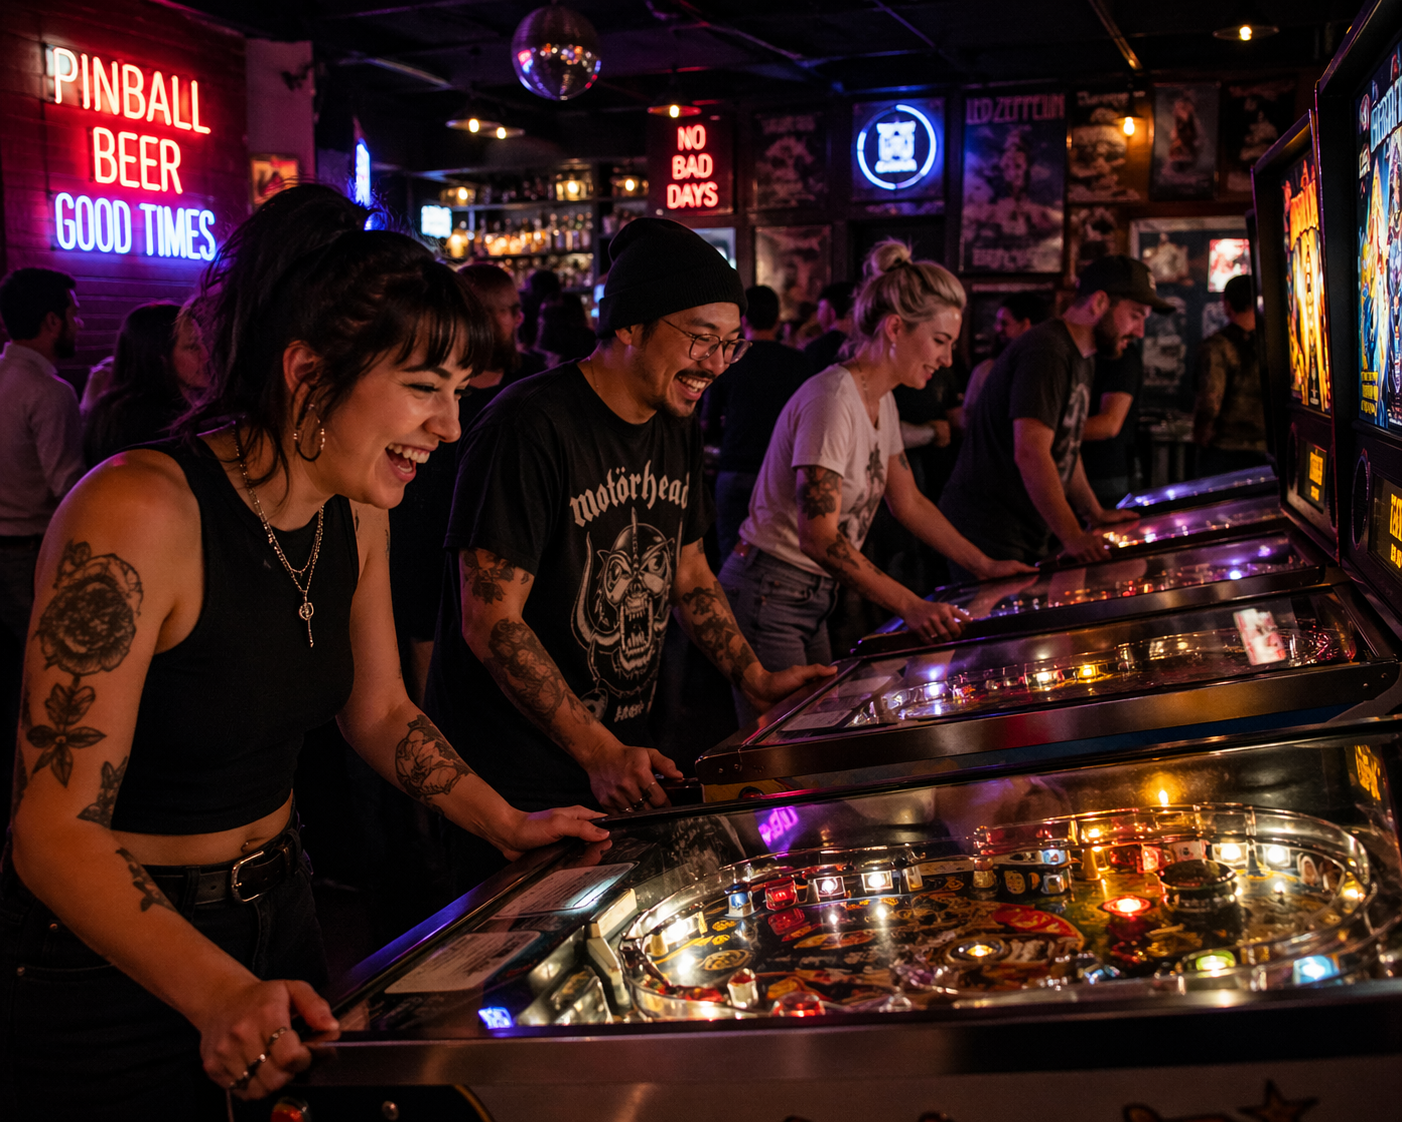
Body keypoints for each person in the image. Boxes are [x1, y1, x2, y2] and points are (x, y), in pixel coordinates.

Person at [0, 184, 607, 1118]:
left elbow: (379, 710)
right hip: (116, 951)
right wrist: (218, 994)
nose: (448, 429)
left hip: (280, 910)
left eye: (456, 395)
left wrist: (505, 822)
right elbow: (52, 830)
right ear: (308, 373)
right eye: (422, 389)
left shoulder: (352, 510)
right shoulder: (139, 511)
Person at [424, 217, 834, 854]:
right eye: (703, 339)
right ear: (629, 324)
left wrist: (753, 678)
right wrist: (600, 751)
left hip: (618, 760)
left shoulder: (674, 417)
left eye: (732, 345)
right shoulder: (529, 427)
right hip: (514, 781)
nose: (717, 364)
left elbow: (689, 571)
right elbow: (492, 621)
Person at [720, 241, 1034, 723]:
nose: (948, 360)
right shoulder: (833, 399)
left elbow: (908, 502)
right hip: (770, 590)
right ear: (894, 328)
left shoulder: (879, 398)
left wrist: (983, 565)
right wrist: (912, 605)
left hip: (808, 593)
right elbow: (817, 536)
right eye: (940, 341)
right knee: (787, 751)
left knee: (815, 737)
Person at [940, 256, 1163, 575]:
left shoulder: (1079, 353)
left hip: (1017, 526)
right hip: (989, 528)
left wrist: (1093, 514)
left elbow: (1065, 447)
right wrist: (1072, 535)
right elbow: (1031, 451)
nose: (1139, 330)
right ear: (1100, 302)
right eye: (1135, 315)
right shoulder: (1047, 351)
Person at [388, 263, 545, 705]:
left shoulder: (534, 382)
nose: (512, 320)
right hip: (428, 539)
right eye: (424, 387)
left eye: (514, 309)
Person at [0, 268, 86, 814]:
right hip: (29, 553)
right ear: (52, 321)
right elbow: (68, 489)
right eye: (74, 313)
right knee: (48, 691)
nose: (78, 323)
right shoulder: (49, 393)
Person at [702, 285, 814, 558]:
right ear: (778, 321)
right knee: (775, 559)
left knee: (729, 558)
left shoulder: (728, 362)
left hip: (735, 469)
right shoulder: (800, 363)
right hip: (782, 474)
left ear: (743, 322)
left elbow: (708, 422)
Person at [82, 300, 209, 466]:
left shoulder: (108, 408)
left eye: (204, 342)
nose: (206, 354)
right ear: (160, 358)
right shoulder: (155, 421)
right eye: (192, 347)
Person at [1193, 274, 1269, 475]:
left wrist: (1200, 437)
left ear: (1226, 304)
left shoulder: (1217, 346)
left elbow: (1210, 401)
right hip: (1268, 450)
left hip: (1225, 451)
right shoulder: (1276, 343)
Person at [959, 291, 1047, 422]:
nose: (997, 328)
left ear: (1025, 325)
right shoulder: (986, 370)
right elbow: (967, 418)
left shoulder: (1047, 370)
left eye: (1004, 323)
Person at [1081, 341, 1144, 508]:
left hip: (1105, 472)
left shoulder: (1122, 355)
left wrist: (1047, 433)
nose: (1140, 332)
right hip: (1092, 472)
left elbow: (1109, 424)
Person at [803, 280, 856, 372]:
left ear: (832, 313)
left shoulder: (817, 349)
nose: (818, 316)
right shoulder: (864, 347)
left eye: (820, 308)